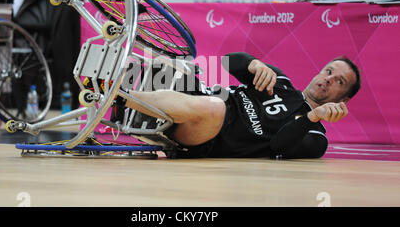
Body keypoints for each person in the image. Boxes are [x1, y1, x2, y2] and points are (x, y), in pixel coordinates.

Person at [125, 52, 361, 159]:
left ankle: (117, 97)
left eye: (339, 81)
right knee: (163, 61)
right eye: (328, 71)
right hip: (203, 96)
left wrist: (313, 116)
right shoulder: (281, 83)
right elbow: (228, 62)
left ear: (344, 100)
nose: (328, 79)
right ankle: (108, 93)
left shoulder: (317, 136)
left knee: (214, 109)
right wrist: (254, 64)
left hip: (209, 134)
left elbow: (280, 145)